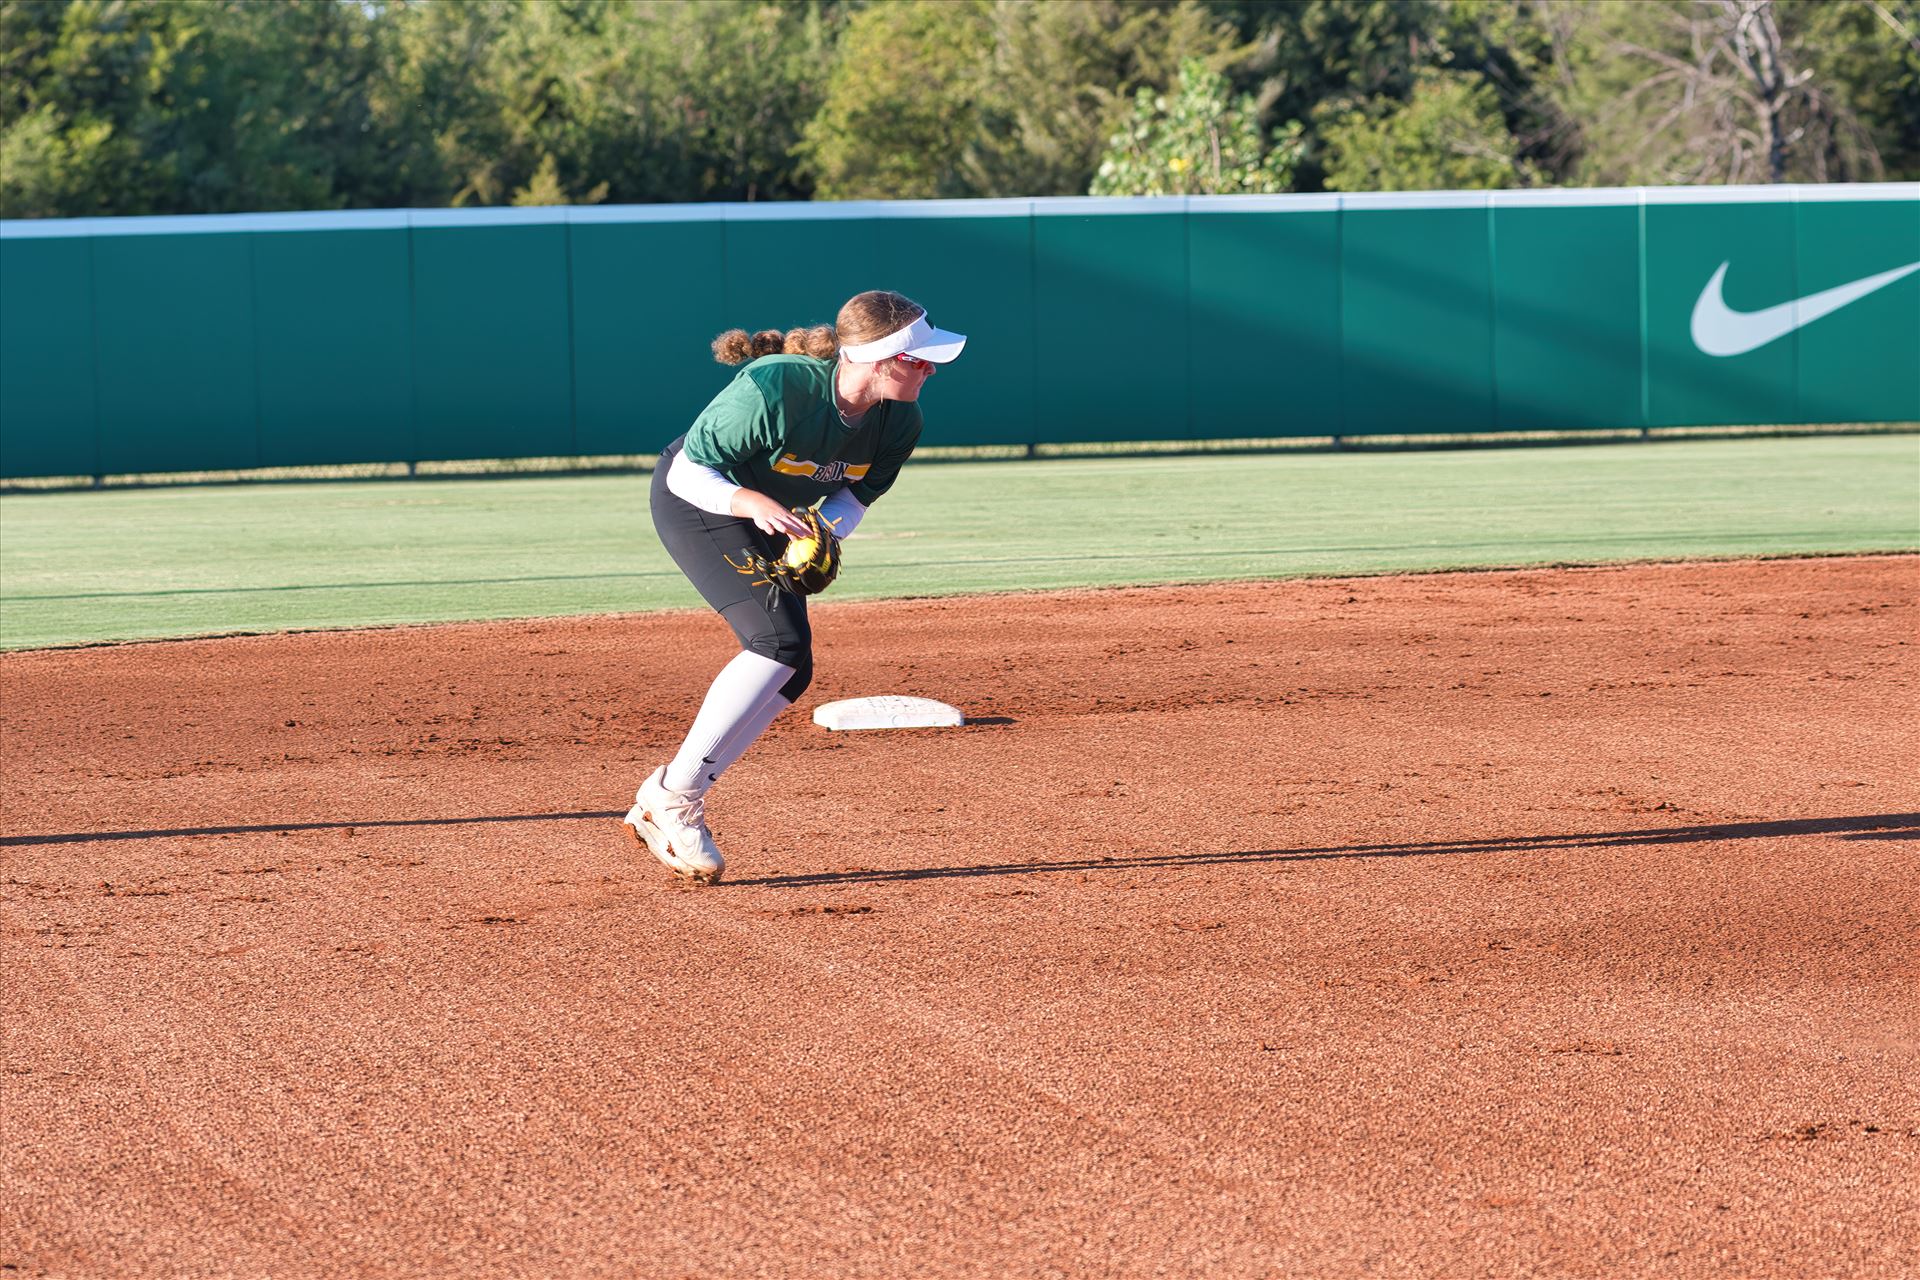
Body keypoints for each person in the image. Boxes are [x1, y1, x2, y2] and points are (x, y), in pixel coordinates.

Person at [623, 290, 966, 884]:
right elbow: (687, 472)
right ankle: (672, 798)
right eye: (918, 358)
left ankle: (672, 795)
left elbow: (852, 498)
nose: (931, 368)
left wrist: (820, 533)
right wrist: (749, 501)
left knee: (793, 664)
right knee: (775, 643)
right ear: (876, 358)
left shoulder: (899, 419)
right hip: (702, 498)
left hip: (774, 514)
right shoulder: (777, 388)